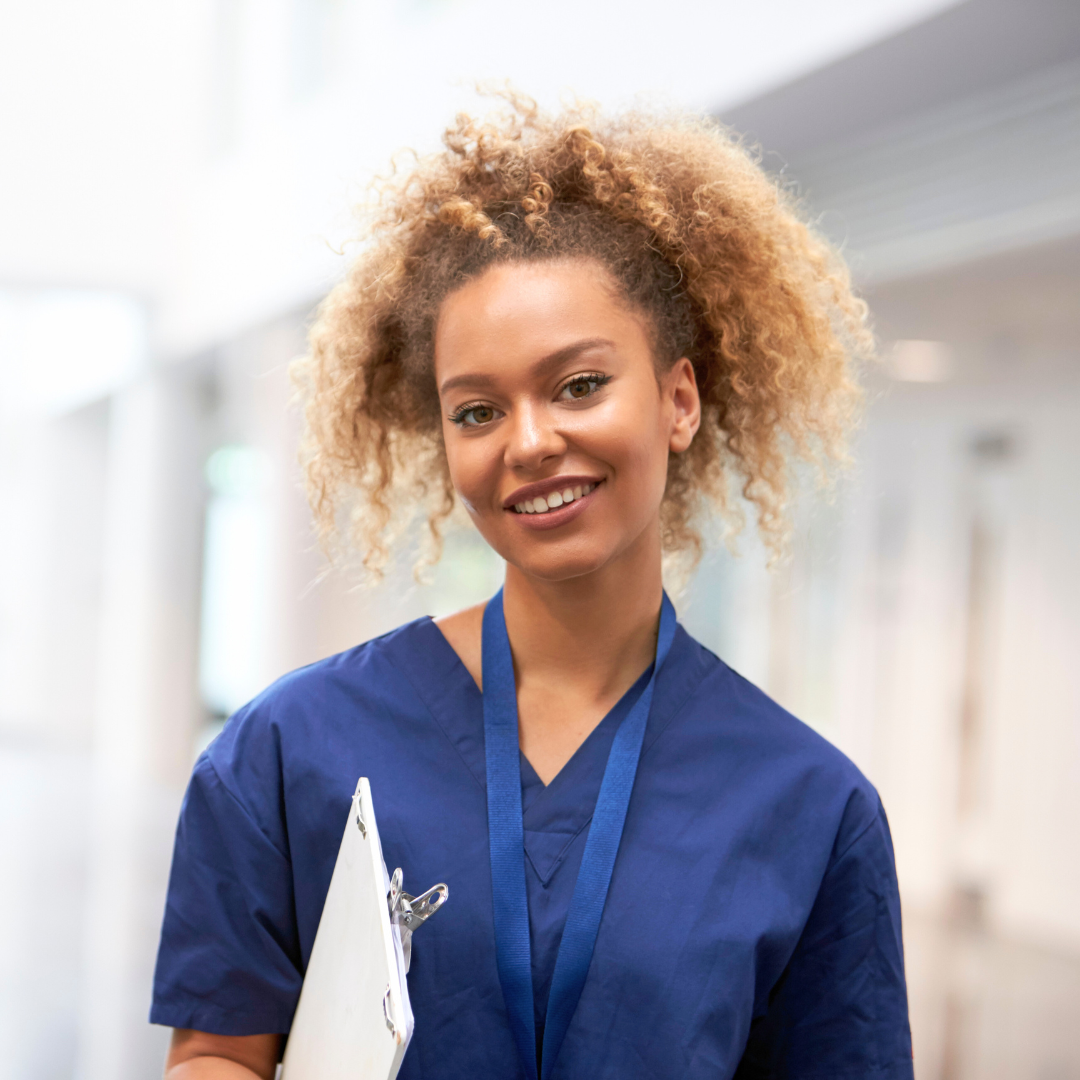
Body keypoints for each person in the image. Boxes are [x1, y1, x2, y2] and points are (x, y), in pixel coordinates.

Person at [153, 94, 913, 1080]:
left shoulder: (809, 807)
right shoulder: (290, 751)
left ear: (679, 399)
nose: (528, 441)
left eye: (579, 385)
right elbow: (217, 1052)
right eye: (475, 410)